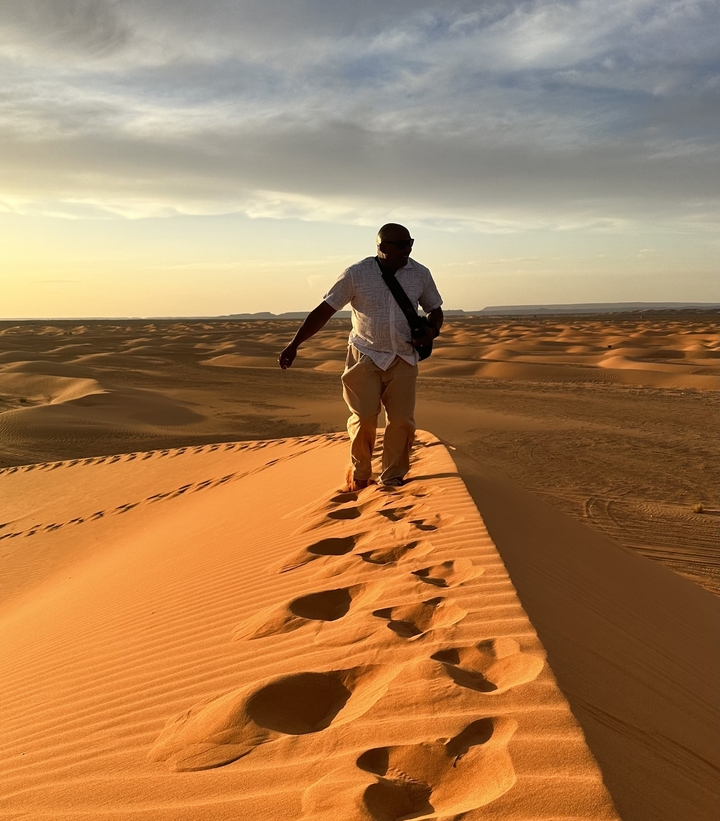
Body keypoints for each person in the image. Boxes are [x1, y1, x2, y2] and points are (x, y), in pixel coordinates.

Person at [278, 223, 443, 490]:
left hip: (403, 357)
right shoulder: (356, 274)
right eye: (401, 244)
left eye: (410, 242)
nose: (408, 249)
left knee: (401, 421)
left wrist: (432, 331)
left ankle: (392, 478)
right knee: (364, 417)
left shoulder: (420, 274)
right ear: (381, 247)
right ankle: (361, 475)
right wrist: (294, 344)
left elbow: (435, 309)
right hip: (365, 355)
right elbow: (324, 310)